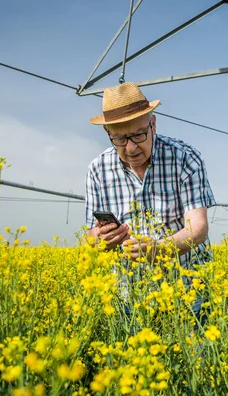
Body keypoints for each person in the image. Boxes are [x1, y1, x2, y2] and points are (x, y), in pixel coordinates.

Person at [85, 81, 215, 271]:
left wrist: (160, 250)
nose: (130, 148)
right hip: (128, 293)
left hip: (188, 287)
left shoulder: (185, 158)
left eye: (139, 135)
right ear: (108, 132)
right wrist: (101, 238)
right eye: (120, 138)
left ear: (153, 124)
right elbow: (90, 236)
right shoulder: (97, 170)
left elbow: (198, 227)